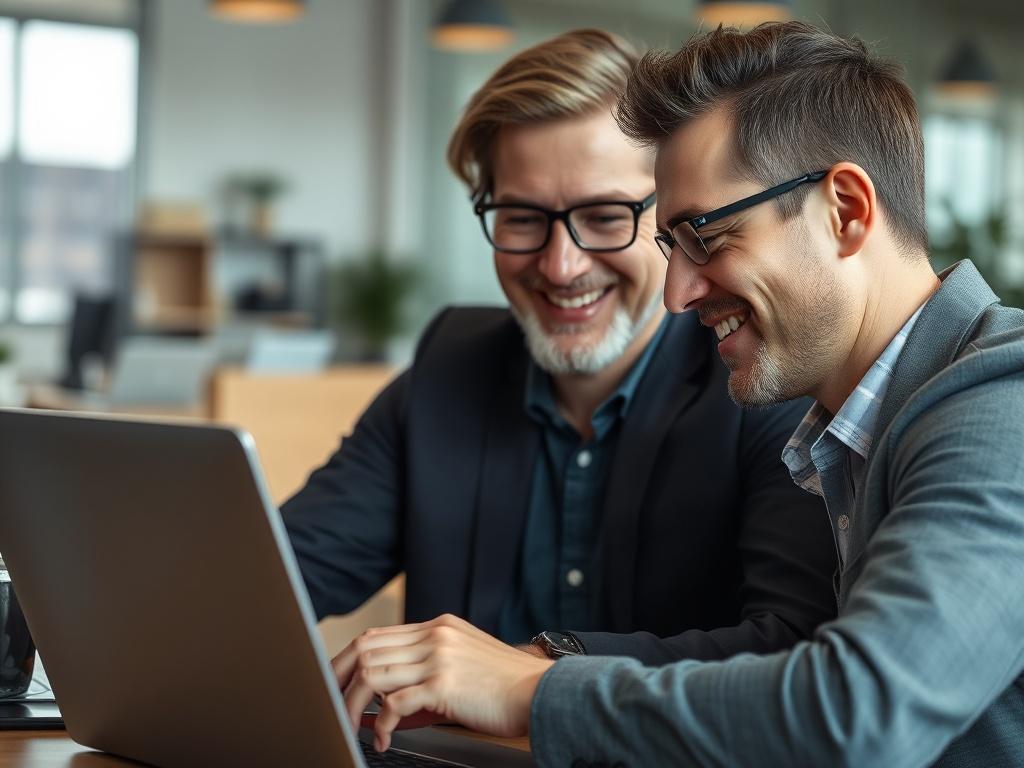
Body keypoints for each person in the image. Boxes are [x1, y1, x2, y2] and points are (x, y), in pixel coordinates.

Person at [331, 21, 1024, 767]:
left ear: (846, 212)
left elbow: (855, 717)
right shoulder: (855, 428)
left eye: (708, 236)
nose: (677, 294)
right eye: (672, 245)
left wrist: (531, 689)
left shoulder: (1001, 402)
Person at [283, 29, 836, 664]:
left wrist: (526, 672)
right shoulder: (449, 369)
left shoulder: (763, 382)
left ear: (670, 218)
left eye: (604, 217)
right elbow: (275, 575)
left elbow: (794, 649)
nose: (561, 266)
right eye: (522, 219)